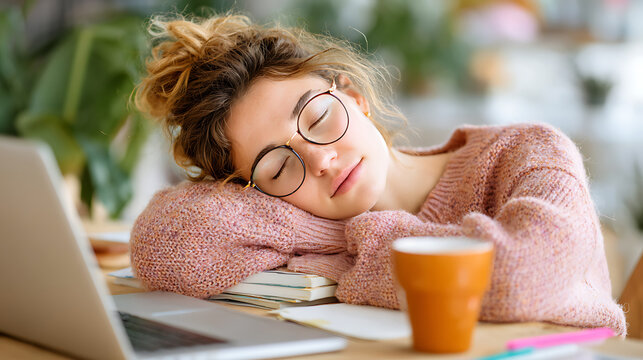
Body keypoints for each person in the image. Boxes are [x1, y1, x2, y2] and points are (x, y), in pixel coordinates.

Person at [131, 13, 626, 335]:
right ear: (258, 196)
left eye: (320, 118)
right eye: (281, 167)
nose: (320, 160)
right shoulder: (308, 211)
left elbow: (524, 277)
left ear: (354, 96)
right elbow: (164, 243)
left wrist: (355, 243)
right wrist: (339, 228)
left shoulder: (528, 150)